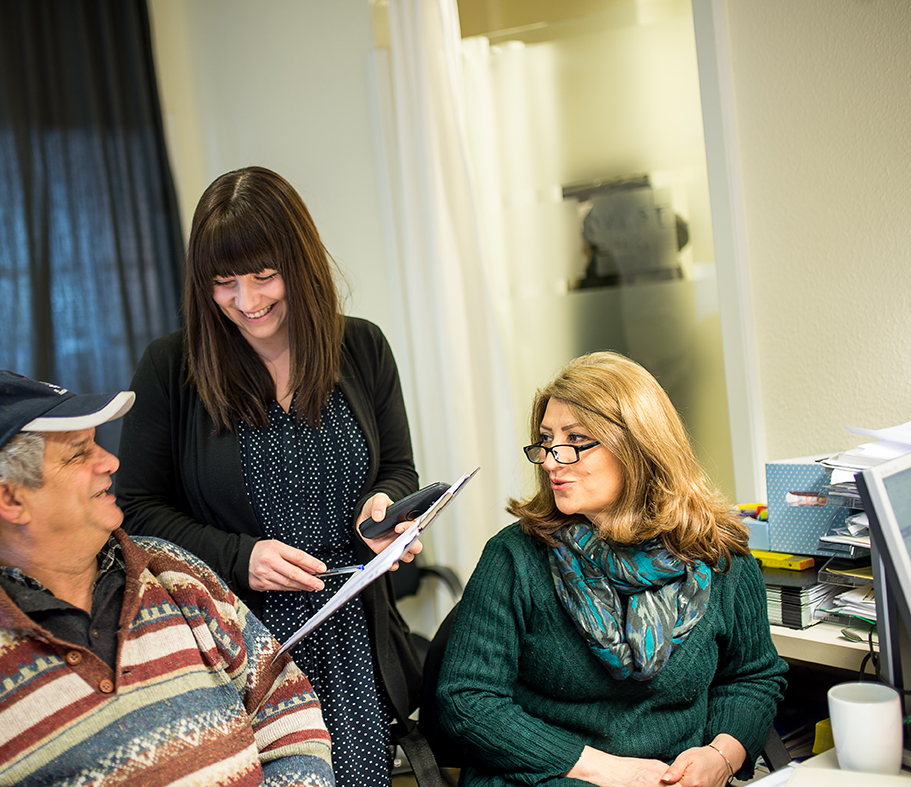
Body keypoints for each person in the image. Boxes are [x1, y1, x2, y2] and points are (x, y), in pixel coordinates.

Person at [0, 370, 334, 787]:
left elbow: (285, 704)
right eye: (78, 454)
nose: (110, 461)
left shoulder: (174, 574)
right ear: (10, 499)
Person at [115, 166, 424, 786]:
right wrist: (239, 556)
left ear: (300, 264)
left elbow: (395, 467)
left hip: (353, 633)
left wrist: (383, 511)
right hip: (242, 647)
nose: (248, 302)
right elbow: (136, 510)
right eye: (224, 283)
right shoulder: (171, 368)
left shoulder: (361, 348)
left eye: (264, 275)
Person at [436, 352, 787, 787]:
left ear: (638, 446)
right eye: (545, 440)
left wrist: (721, 756)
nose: (549, 460)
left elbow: (753, 675)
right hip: (542, 777)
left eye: (574, 439)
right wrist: (612, 771)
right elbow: (467, 700)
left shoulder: (718, 554)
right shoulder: (514, 557)